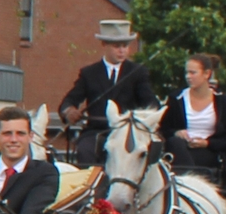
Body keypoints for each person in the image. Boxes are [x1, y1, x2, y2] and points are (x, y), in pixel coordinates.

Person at [57, 20, 157, 150]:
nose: (122, 51)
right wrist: (69, 111)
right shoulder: (89, 73)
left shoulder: (138, 72)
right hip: (96, 131)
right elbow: (68, 101)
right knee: (85, 149)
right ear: (104, 44)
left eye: (125, 46)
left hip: (127, 132)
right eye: (117, 46)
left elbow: (150, 102)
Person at [166, 52, 226, 173]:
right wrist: (176, 132)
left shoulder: (222, 101)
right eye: (186, 73)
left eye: (193, 73)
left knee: (198, 158)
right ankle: (191, 176)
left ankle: (189, 176)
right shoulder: (176, 99)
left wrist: (207, 143)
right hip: (181, 148)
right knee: (175, 142)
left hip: (209, 151)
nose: (188, 77)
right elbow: (163, 129)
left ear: (207, 74)